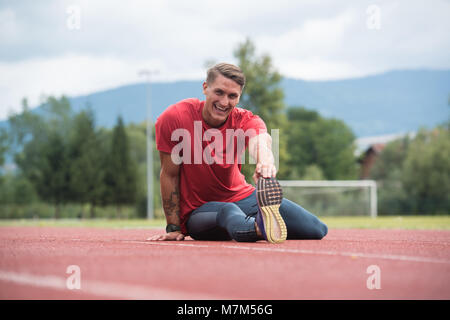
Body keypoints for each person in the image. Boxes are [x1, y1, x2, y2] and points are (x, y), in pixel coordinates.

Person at [147, 63, 328, 243]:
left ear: (239, 97)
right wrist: (173, 227)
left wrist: (265, 163)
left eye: (232, 96)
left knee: (316, 229)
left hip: (242, 196)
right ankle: (258, 228)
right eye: (219, 92)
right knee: (227, 211)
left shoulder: (245, 120)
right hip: (200, 212)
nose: (224, 102)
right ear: (205, 88)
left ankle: (260, 222)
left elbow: (261, 142)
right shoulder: (175, 118)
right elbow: (169, 175)